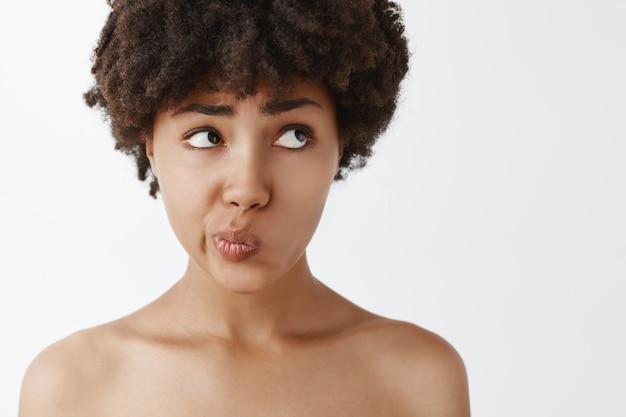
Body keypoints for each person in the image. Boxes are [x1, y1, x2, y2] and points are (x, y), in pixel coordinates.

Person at [19, 0, 470, 415]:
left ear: (342, 143)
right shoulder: (70, 389)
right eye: (207, 136)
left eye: (294, 135)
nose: (248, 188)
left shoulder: (416, 381)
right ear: (151, 145)